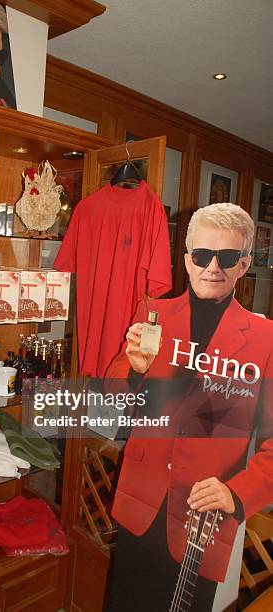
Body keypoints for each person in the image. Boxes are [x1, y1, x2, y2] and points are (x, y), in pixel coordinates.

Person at [105, 203, 273, 612]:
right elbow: (107, 404)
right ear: (186, 259)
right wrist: (133, 374)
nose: (212, 267)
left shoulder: (265, 339)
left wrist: (237, 494)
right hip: (140, 504)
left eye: (228, 257)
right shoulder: (153, 315)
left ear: (244, 264)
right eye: (202, 255)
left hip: (204, 522)